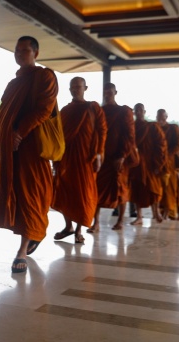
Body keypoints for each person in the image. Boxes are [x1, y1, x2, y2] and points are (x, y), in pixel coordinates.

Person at [0, 36, 58, 273]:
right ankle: (33, 234)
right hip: (13, 149)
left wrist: (20, 132)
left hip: (32, 148)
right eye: (17, 51)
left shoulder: (44, 77)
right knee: (17, 194)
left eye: (25, 50)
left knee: (33, 195)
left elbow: (44, 109)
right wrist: (8, 137)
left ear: (36, 53)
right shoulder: (13, 84)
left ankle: (22, 250)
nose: (20, 54)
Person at [52, 77, 106, 244]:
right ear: (69, 90)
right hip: (66, 157)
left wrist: (98, 153)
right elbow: (58, 133)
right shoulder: (66, 111)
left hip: (85, 159)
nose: (75, 89)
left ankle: (78, 230)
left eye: (78, 86)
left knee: (83, 193)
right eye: (72, 87)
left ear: (85, 88)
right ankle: (68, 226)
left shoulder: (93, 107)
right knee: (64, 192)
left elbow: (102, 130)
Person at [89, 83, 135, 232]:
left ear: (116, 92)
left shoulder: (123, 111)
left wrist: (122, 155)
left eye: (110, 91)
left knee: (121, 188)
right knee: (97, 188)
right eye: (105, 91)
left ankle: (120, 221)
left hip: (118, 156)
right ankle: (95, 222)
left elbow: (129, 135)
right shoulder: (100, 111)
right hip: (103, 156)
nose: (108, 93)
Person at [129, 103, 167, 225]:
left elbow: (161, 144)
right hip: (137, 162)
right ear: (134, 113)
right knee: (137, 189)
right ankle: (139, 216)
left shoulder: (152, 127)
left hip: (151, 162)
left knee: (154, 188)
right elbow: (128, 143)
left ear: (144, 112)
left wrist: (158, 163)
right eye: (137, 110)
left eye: (141, 110)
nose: (139, 112)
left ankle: (156, 213)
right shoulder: (132, 127)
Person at [157, 109, 179, 220]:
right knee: (157, 187)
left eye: (163, 117)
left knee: (169, 189)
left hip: (169, 162)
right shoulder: (155, 128)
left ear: (166, 117)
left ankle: (167, 213)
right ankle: (158, 212)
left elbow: (178, 144)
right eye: (158, 116)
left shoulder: (173, 128)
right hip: (157, 161)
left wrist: (167, 153)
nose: (160, 119)